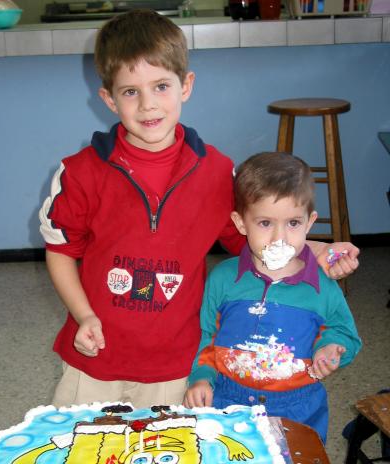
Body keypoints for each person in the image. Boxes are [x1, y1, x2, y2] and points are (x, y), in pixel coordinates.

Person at [39, 10, 359, 410]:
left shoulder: (216, 171)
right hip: (94, 360)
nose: (148, 105)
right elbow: (62, 250)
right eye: (130, 91)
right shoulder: (80, 172)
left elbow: (249, 239)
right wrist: (83, 315)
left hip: (175, 365)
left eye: (160, 86)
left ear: (185, 85)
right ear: (108, 98)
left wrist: (314, 249)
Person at [183, 152, 362, 443]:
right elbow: (206, 336)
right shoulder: (223, 279)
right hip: (229, 400)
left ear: (309, 222)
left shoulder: (322, 286)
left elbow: (345, 334)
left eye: (293, 223)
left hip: (297, 406)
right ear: (241, 224)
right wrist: (201, 377)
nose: (280, 237)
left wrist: (332, 349)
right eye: (265, 223)